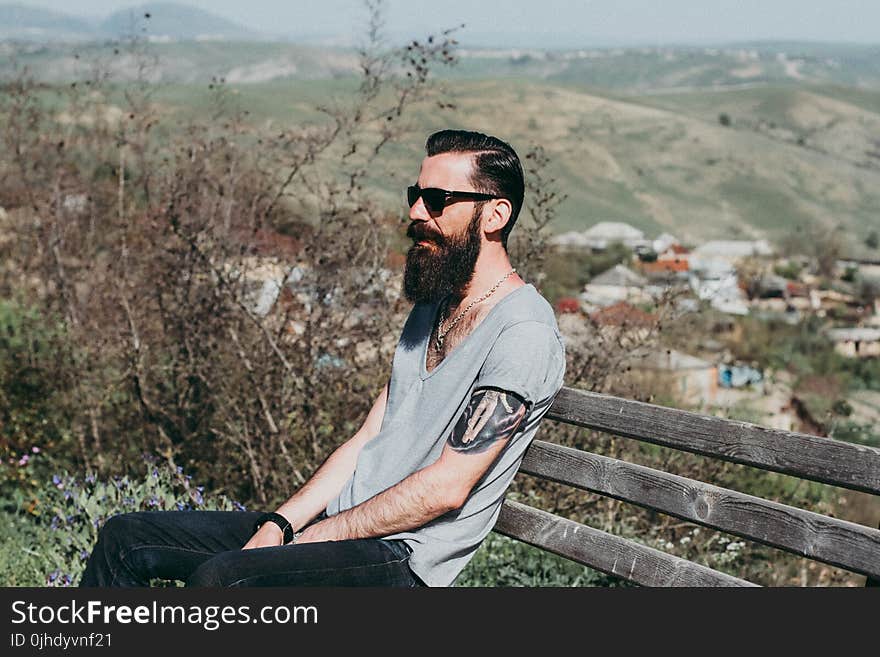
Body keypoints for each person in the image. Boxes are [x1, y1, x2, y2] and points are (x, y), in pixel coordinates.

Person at [80, 129, 566, 588]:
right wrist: (281, 524)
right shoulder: (433, 306)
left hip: (404, 558)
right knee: (125, 539)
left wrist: (313, 537)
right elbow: (368, 438)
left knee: (223, 580)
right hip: (343, 528)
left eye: (437, 200)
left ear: (495, 215)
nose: (417, 211)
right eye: (414, 195)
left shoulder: (522, 333)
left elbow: (446, 489)